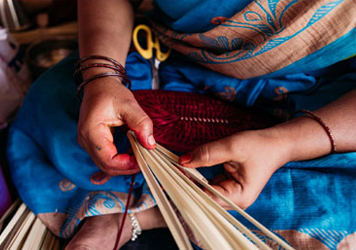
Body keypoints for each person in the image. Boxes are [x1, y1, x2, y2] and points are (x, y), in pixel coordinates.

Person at [7, 0, 356, 249]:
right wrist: (102, 78)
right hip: (187, 66)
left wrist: (284, 144)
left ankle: (136, 214)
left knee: (337, 202)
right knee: (56, 110)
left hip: (331, 105)